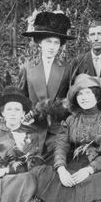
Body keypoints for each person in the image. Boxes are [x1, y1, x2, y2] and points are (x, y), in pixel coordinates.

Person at [30, 74, 101, 202]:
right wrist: (61, 169)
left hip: (97, 168)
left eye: (88, 93)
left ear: (97, 96)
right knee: (42, 173)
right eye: (80, 94)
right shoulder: (70, 120)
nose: (84, 97)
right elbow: (61, 145)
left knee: (100, 180)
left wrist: (90, 169)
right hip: (72, 163)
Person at [19, 11, 76, 162]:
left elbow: (72, 100)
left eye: (56, 42)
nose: (52, 47)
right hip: (33, 130)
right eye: (48, 42)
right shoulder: (27, 68)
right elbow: (21, 99)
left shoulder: (67, 68)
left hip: (58, 131)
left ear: (61, 45)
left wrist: (58, 108)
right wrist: (27, 116)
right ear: (39, 42)